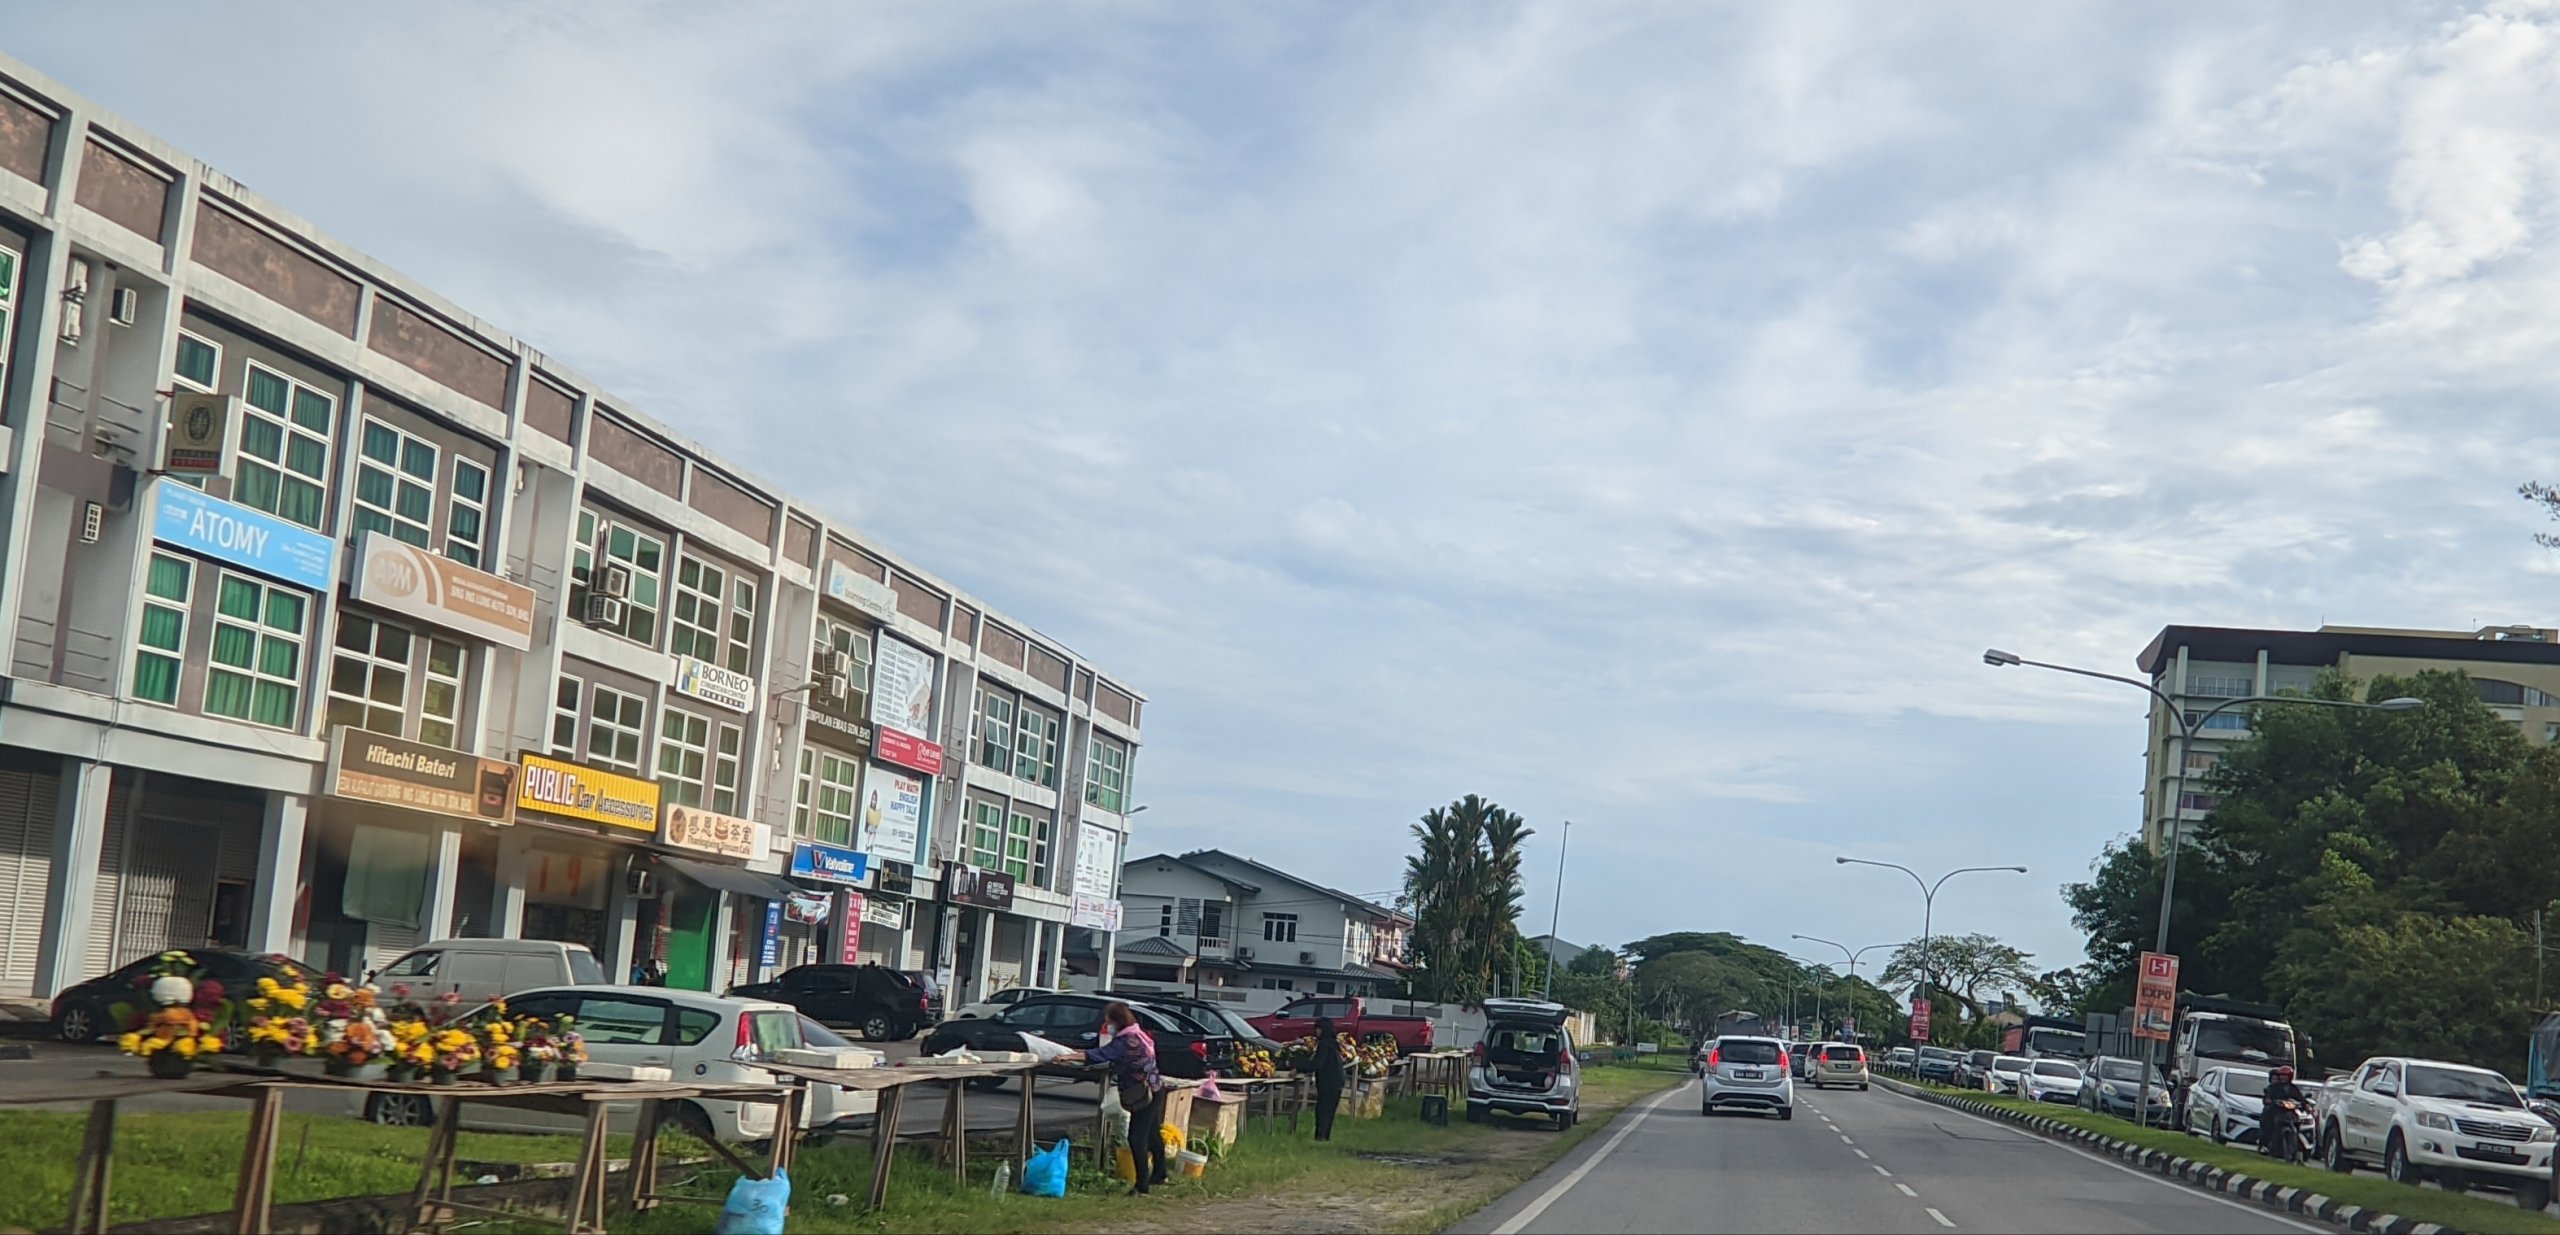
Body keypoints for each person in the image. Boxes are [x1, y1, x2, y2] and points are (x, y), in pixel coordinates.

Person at [1064, 1001, 1169, 1193]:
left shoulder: (1126, 1041)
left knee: (1136, 1137)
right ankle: (1160, 1174)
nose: (1106, 1022)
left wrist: (1071, 1056)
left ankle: (1142, 1185)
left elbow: (1102, 1054)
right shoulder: (1139, 1034)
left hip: (1143, 1092)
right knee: (1152, 1134)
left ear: (1117, 1020)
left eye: (1108, 1018)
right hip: (1156, 1087)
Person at [1312, 1015, 1346, 1141]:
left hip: (1329, 1082)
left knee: (1323, 1110)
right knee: (1329, 1111)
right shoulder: (1333, 1043)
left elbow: (1317, 1064)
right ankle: (1325, 1136)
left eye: (1318, 1029)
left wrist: (1298, 1066)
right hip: (1337, 1080)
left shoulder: (1324, 1044)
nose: (1317, 1032)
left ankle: (1320, 1136)